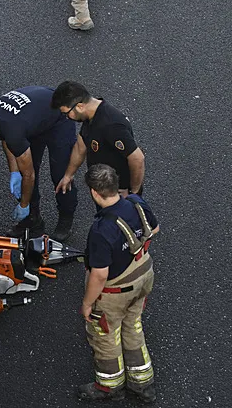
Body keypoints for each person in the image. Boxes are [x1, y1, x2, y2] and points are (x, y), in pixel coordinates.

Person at [79, 164, 158, 403]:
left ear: (94, 192)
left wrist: (87, 304)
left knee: (105, 334)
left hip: (115, 291)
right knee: (133, 325)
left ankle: (109, 385)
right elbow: (154, 229)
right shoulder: (136, 203)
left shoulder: (101, 231)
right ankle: (142, 384)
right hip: (143, 278)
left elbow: (100, 275)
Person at [0, 86, 77, 240]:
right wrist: (14, 172)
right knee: (23, 173)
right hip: (34, 117)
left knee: (61, 174)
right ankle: (33, 220)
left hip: (58, 119)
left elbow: (29, 175)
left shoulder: (13, 133)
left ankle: (65, 219)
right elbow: (5, 140)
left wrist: (23, 204)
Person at [51, 81, 144, 198]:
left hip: (117, 192)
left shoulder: (111, 125)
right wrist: (68, 176)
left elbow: (137, 158)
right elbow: (80, 147)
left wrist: (133, 193)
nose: (67, 118)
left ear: (79, 106)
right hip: (103, 185)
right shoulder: (90, 115)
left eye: (67, 113)